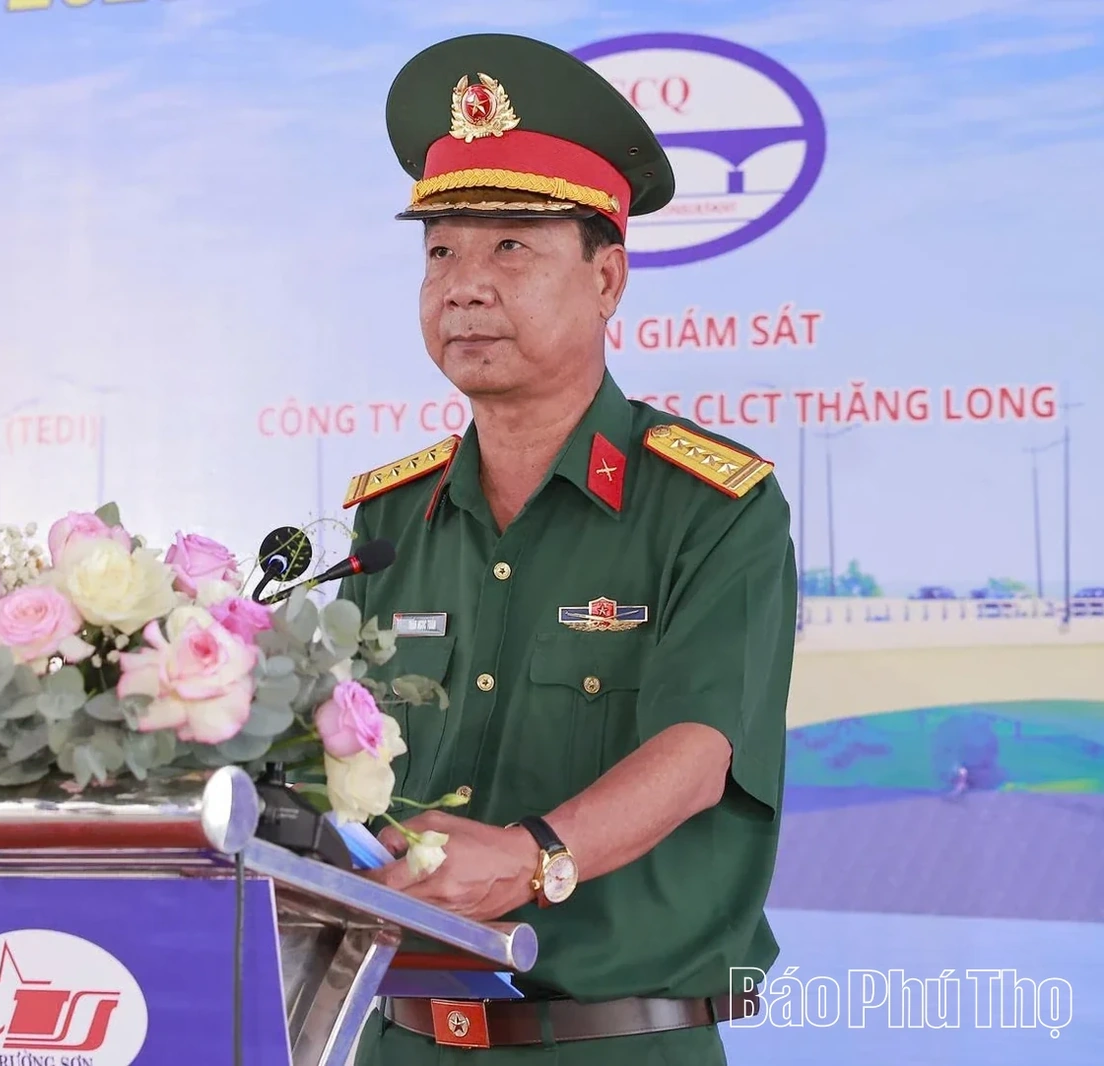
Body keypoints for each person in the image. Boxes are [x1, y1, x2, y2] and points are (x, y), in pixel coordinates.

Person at [336, 33, 797, 1066]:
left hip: (617, 1041)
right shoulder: (383, 521)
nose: (462, 285)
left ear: (607, 278)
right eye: (441, 250)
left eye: (510, 247)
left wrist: (540, 857)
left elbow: (696, 751)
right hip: (399, 1036)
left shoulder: (712, 505)